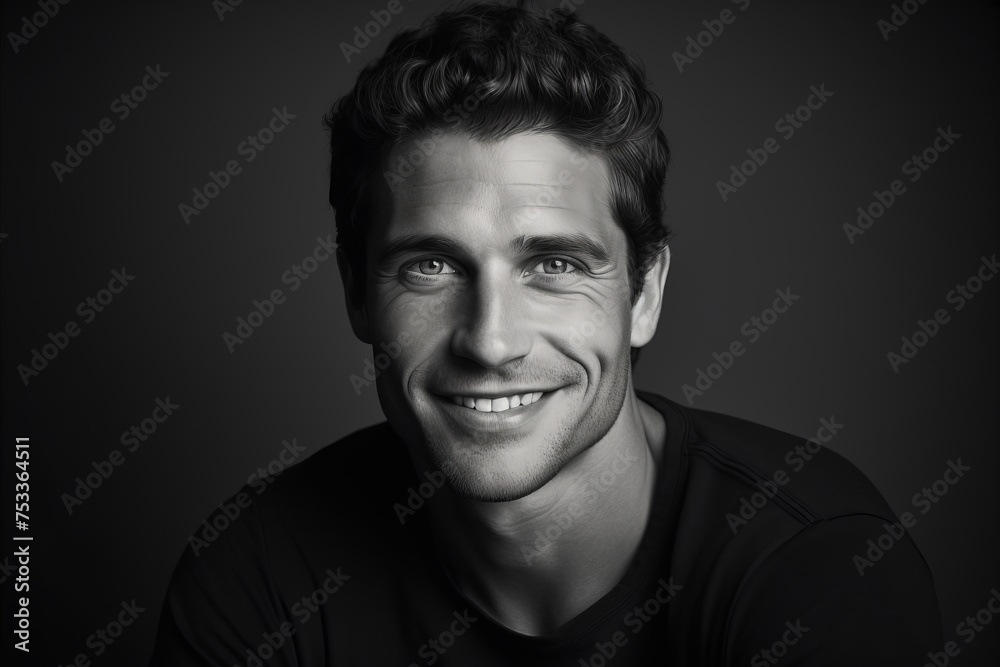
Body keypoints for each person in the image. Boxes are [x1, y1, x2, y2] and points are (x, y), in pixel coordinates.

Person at [150, 2, 942, 664]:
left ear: (645, 292)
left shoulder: (814, 567)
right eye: (431, 266)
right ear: (357, 294)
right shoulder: (260, 569)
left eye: (555, 264)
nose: (492, 342)